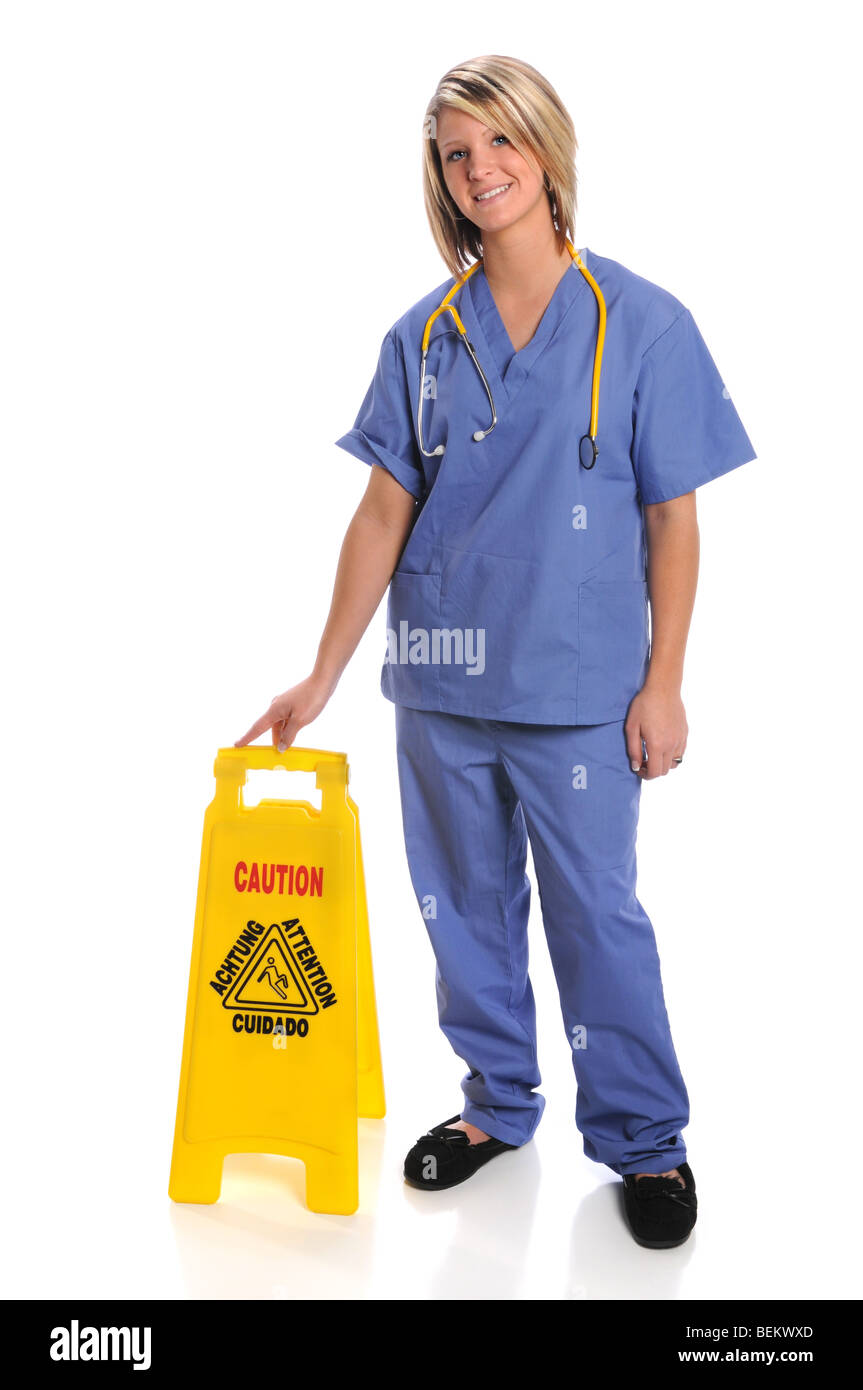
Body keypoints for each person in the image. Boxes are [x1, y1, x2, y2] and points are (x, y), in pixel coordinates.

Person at [234, 54, 756, 1249]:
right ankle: (494, 1106)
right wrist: (318, 673)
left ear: (546, 148)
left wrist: (663, 682)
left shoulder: (642, 323)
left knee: (596, 917)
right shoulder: (421, 335)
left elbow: (673, 519)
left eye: (498, 143)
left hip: (580, 691)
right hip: (442, 683)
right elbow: (381, 512)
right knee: (462, 911)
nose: (480, 170)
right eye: (455, 155)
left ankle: (643, 1140)